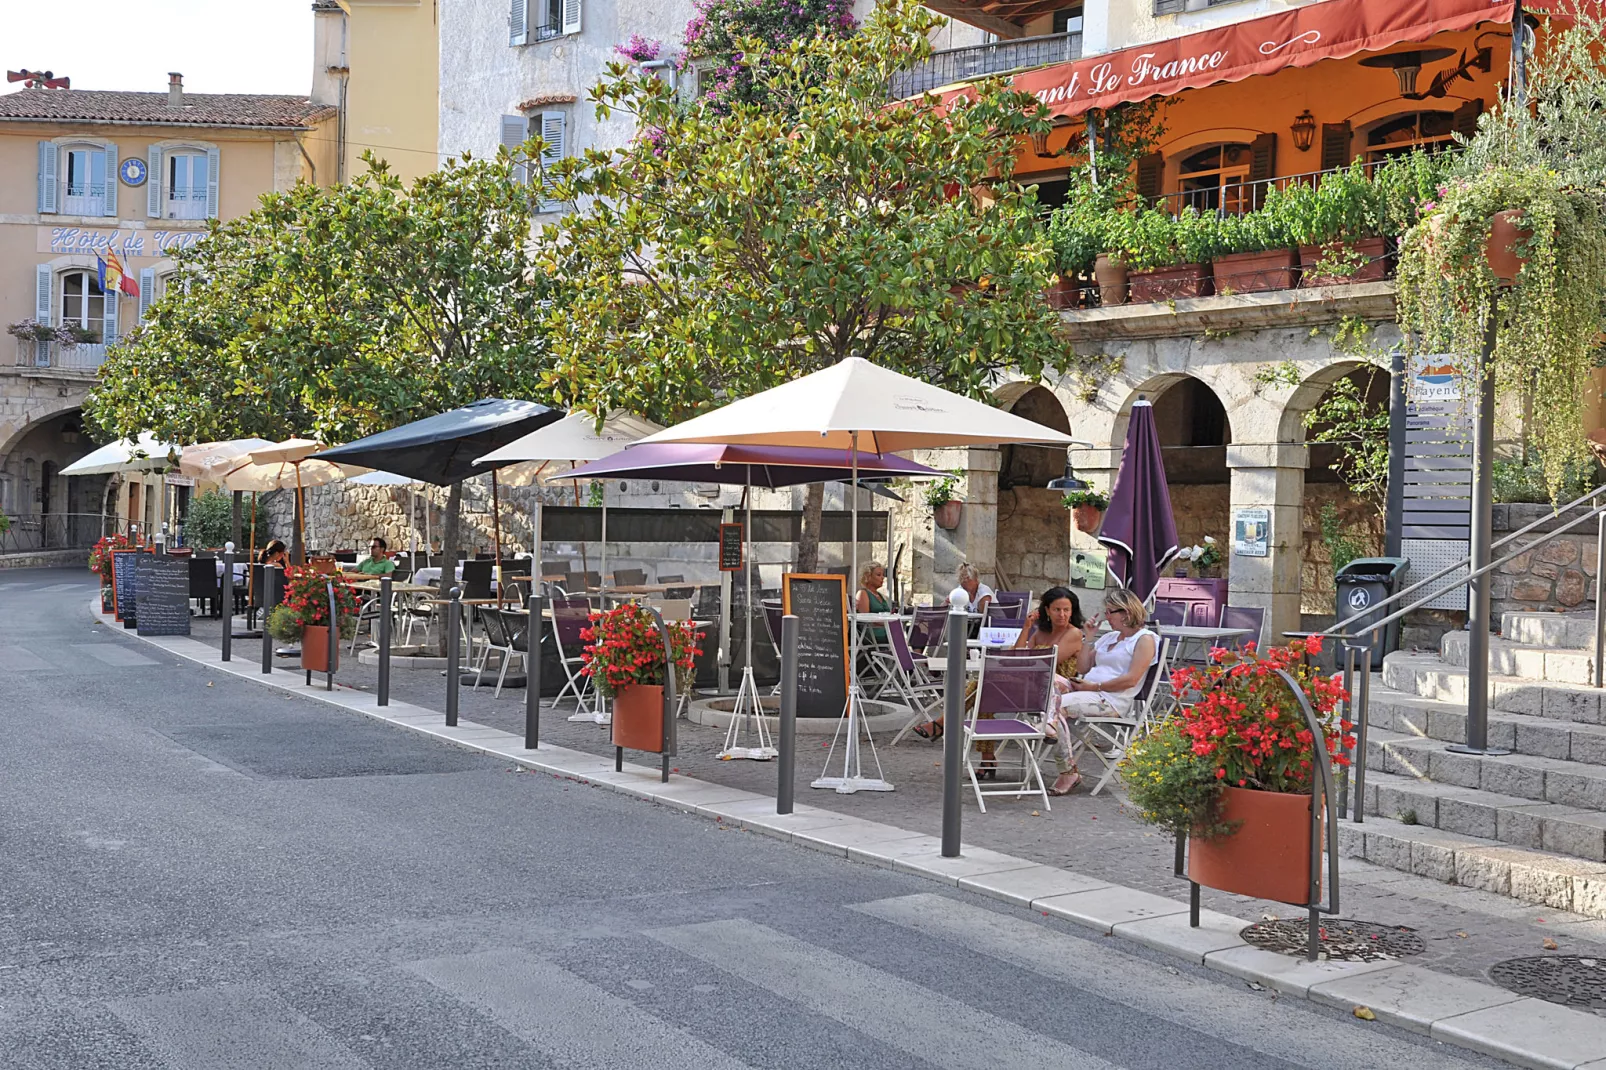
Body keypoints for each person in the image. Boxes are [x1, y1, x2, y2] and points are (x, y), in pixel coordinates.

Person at [1046, 587, 1158, 796]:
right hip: (1087, 688)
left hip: (1109, 699)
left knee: (1055, 705)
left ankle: (1067, 770)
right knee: (1046, 679)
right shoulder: (1110, 638)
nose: (1106, 617)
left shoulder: (1145, 639)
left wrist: (1094, 687)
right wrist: (1088, 638)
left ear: (1126, 612)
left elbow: (1131, 679)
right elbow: (1083, 668)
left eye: (1110, 612)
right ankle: (1050, 723)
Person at [855, 561, 891, 645]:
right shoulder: (863, 593)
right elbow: (865, 619)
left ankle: (915, 655)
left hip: (886, 628)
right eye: (878, 575)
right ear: (868, 576)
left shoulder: (880, 595)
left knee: (916, 630)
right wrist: (887, 623)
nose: (882, 578)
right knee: (902, 633)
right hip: (872, 631)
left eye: (883, 575)